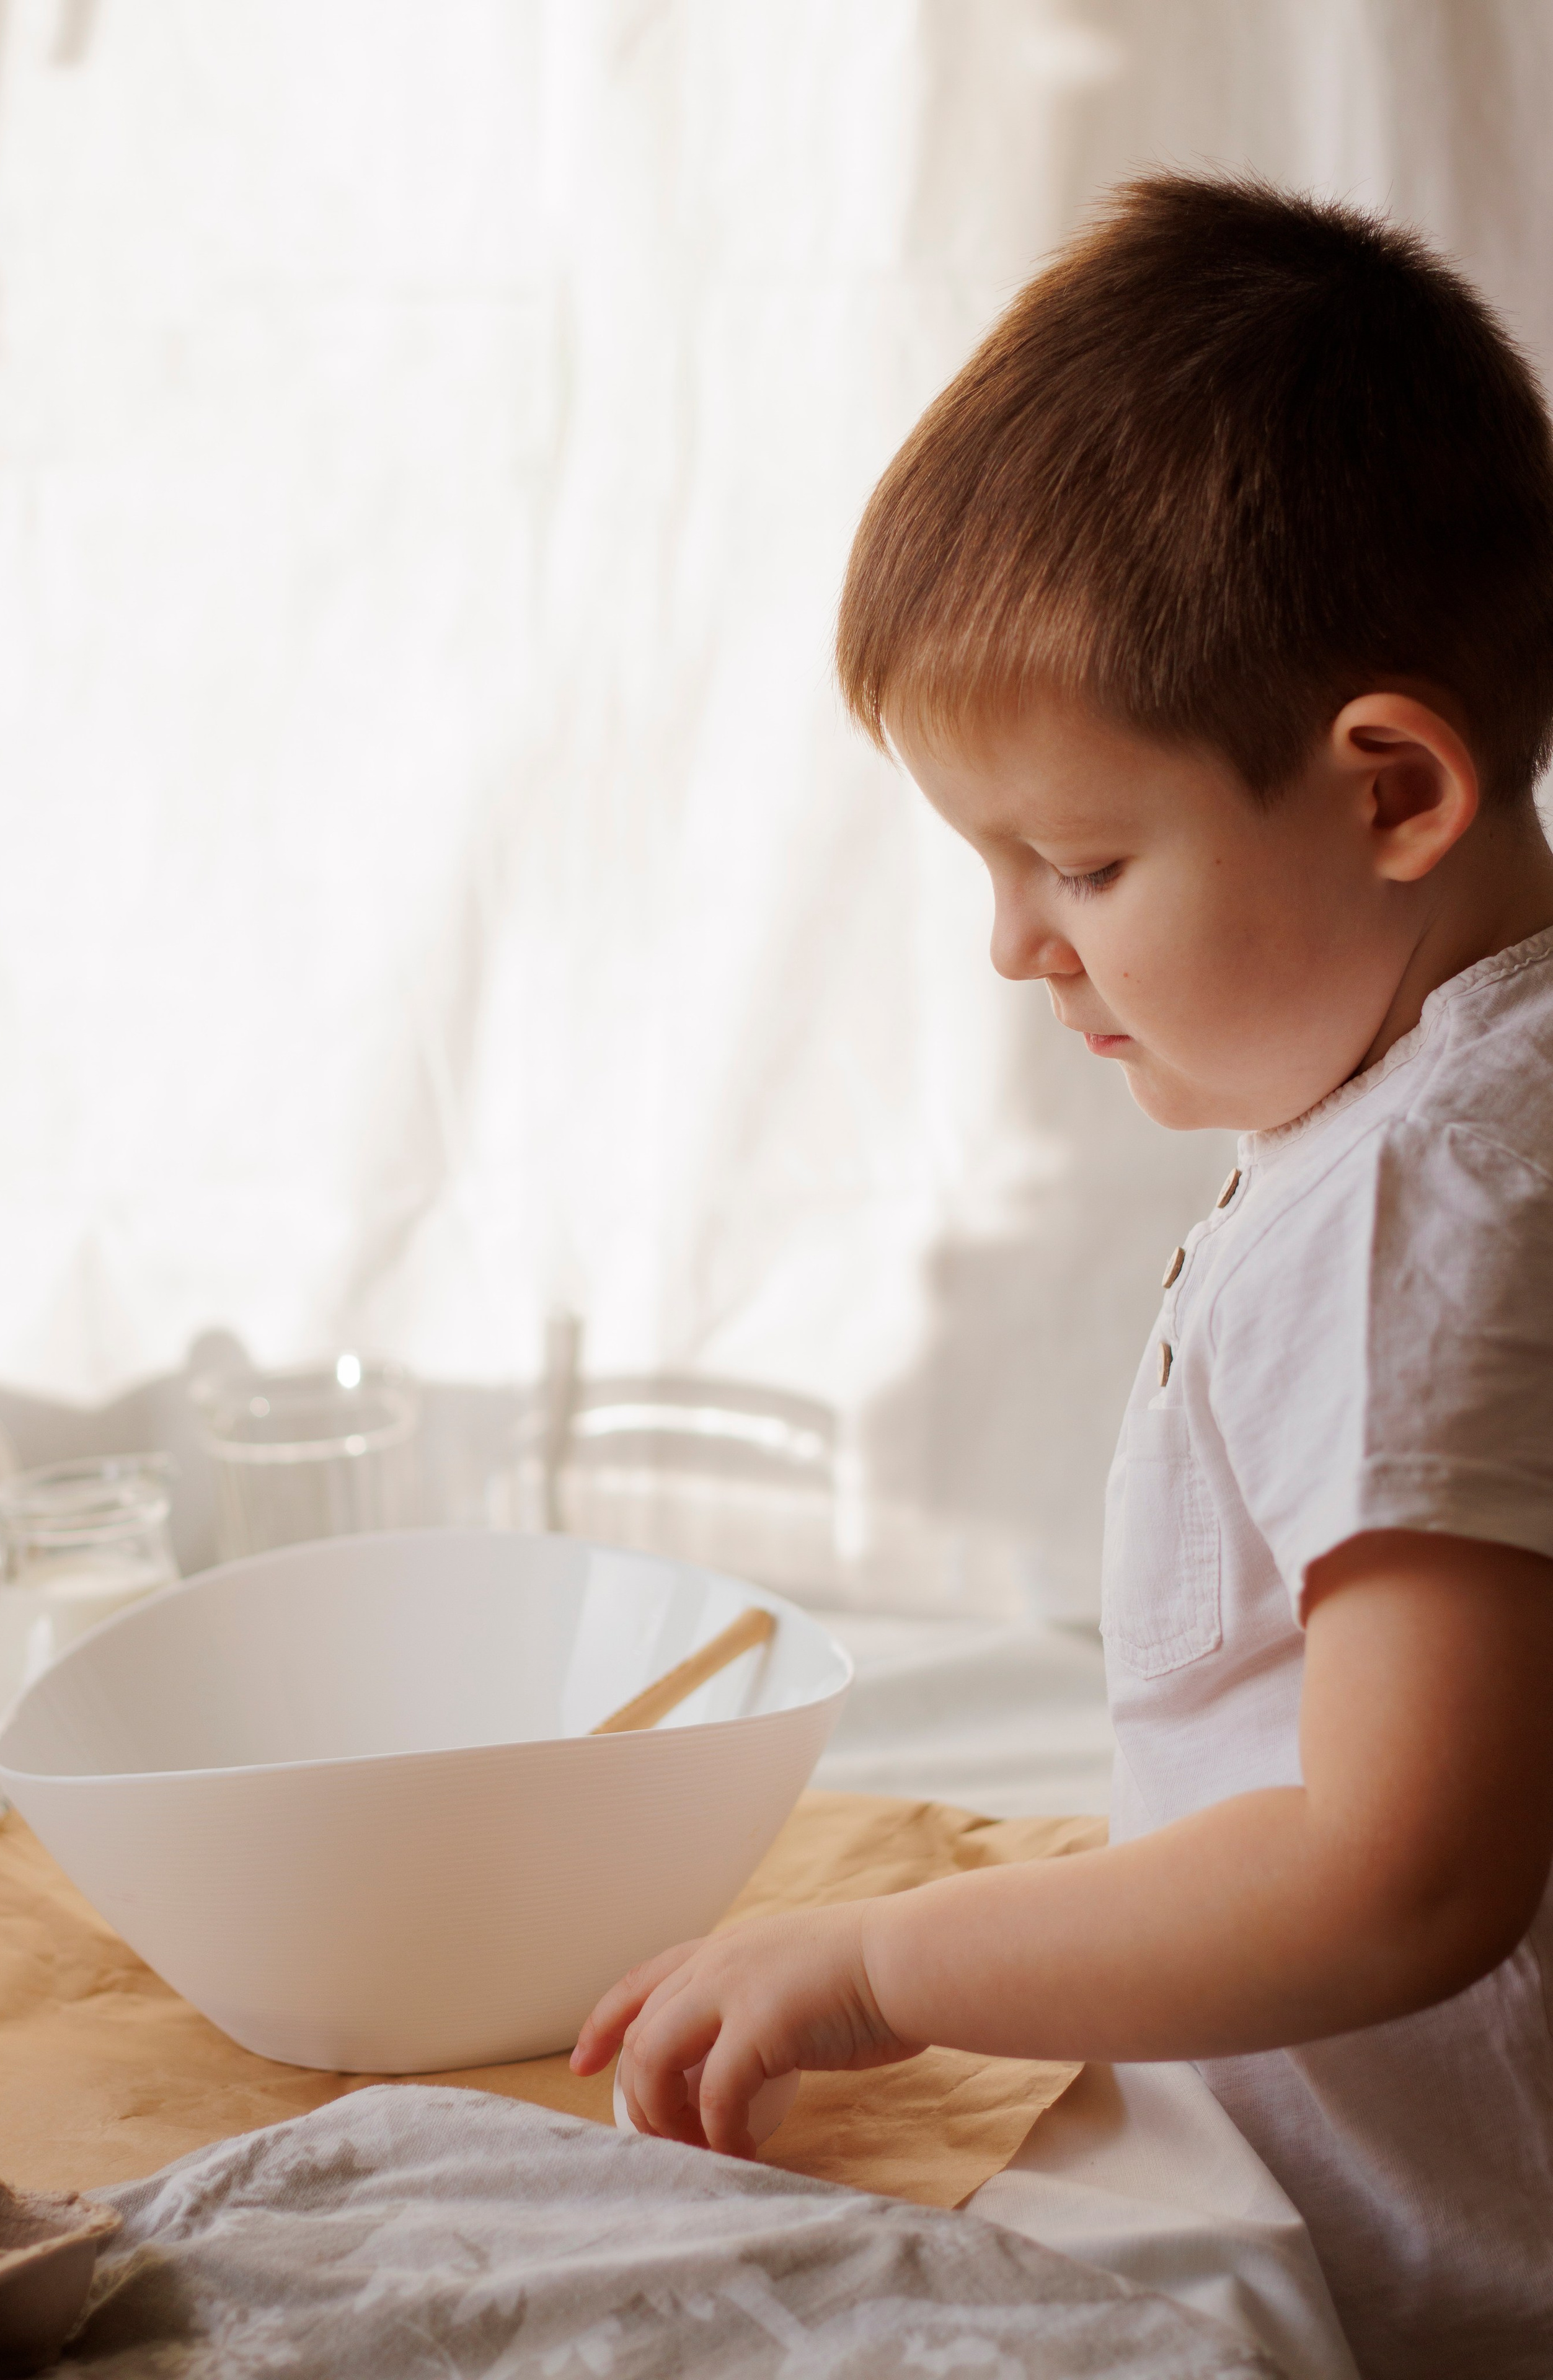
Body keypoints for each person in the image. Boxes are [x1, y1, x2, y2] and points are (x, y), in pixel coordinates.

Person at [572, 174, 1553, 2378]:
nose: (1019, 943)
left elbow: (1406, 1868)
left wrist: (888, 1971)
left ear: (1392, 787)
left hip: (1430, 2275)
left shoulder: (1438, 1193)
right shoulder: (1444, 1110)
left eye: (1083, 862)